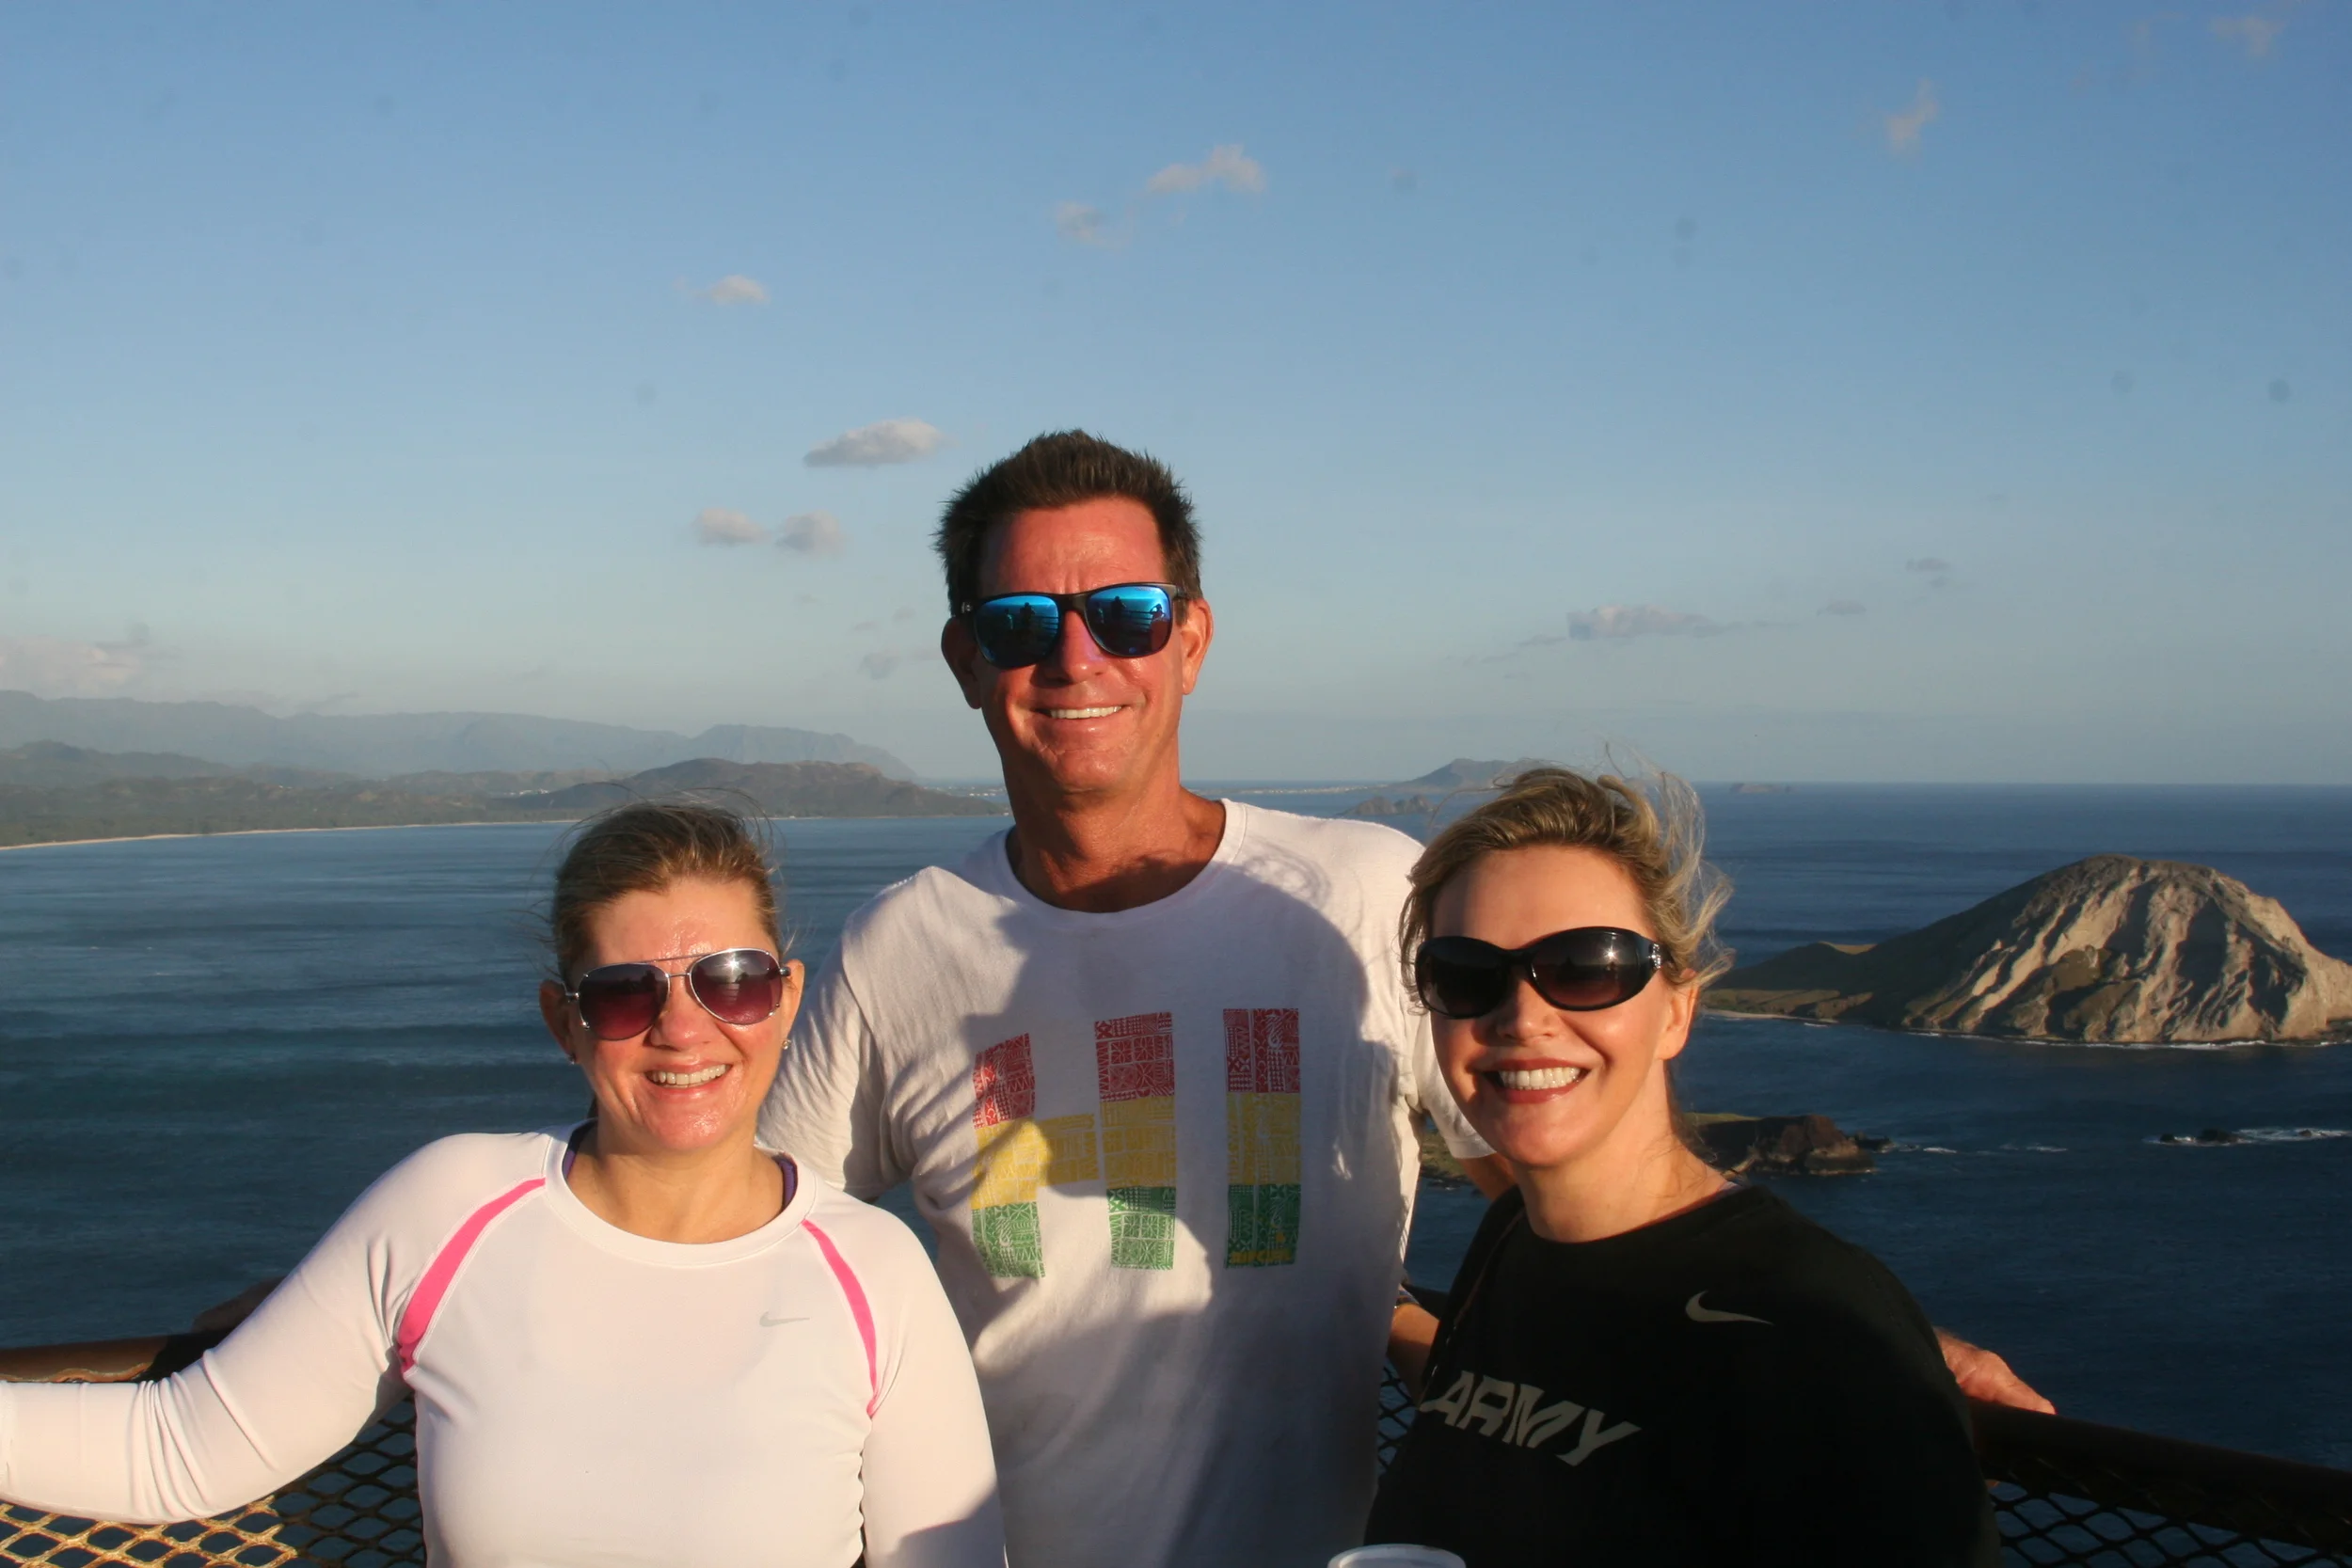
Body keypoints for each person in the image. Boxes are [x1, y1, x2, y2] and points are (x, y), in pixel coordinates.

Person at [760, 431, 2043, 1568]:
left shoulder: (1357, 895)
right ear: (965, 658)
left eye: (1129, 614)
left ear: (1191, 639)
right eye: (1021, 622)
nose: (1077, 656)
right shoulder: (900, 948)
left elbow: (1567, 1183)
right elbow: (759, 1244)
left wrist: (1857, 1335)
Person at [0, 802, 1004, 1568]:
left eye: (730, 980)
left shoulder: (873, 1275)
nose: (683, 1027)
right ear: (565, 1022)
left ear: (784, 1001)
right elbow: (177, 1449)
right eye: (625, 993)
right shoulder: (450, 1212)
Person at [1365, 768, 2000, 1566]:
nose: (1522, 1016)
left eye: (1587, 965)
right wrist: (1376, 1302)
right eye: (1466, 972)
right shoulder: (1511, 1242)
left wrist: (1886, 1345)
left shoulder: (1813, 1321)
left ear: (1676, 1010)